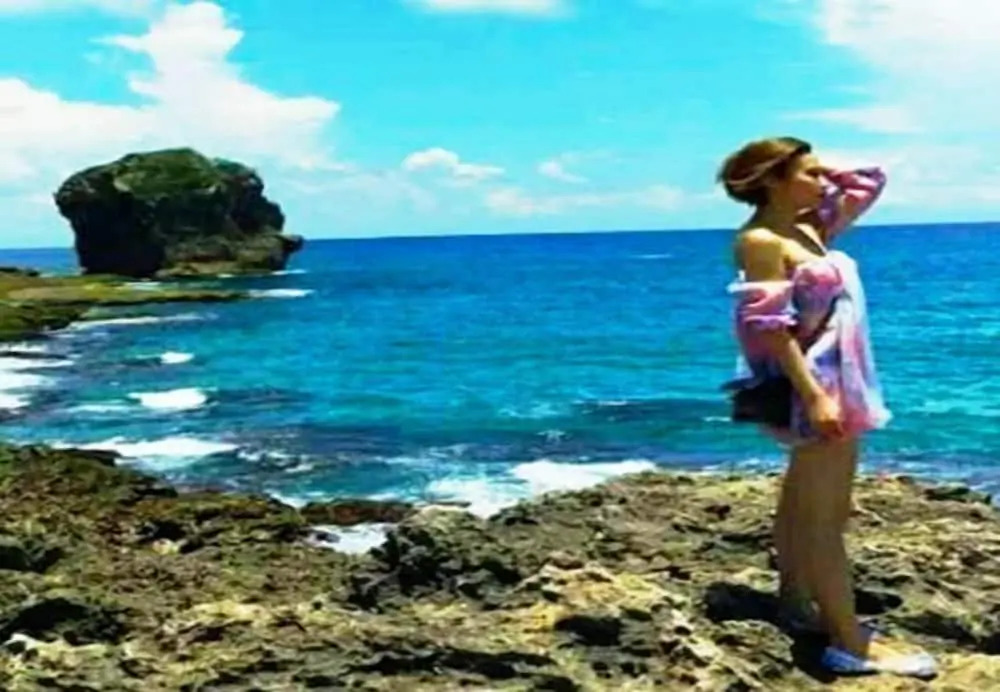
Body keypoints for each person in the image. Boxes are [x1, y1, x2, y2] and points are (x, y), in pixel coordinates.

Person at [717, 136, 936, 677]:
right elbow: (769, 328)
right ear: (772, 179)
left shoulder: (812, 226)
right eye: (809, 173)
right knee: (826, 517)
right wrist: (814, 396)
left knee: (803, 501)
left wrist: (818, 169)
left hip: (842, 378)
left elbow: (870, 180)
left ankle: (797, 604)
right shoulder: (762, 240)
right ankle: (848, 641)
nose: (823, 181)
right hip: (816, 384)